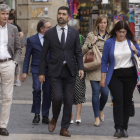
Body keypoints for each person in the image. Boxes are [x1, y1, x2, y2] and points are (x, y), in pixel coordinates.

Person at [38, 6, 84, 137]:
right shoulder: (49, 33)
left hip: (70, 71)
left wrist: (81, 67)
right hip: (54, 71)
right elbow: (43, 54)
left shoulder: (74, 33)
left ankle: (64, 127)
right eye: (59, 14)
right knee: (57, 97)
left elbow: (78, 52)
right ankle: (54, 117)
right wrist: (41, 72)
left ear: (68, 16)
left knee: (69, 100)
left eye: (63, 14)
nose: (61, 16)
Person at [100, 20, 140, 138]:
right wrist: (103, 77)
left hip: (130, 75)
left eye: (124, 32)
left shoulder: (131, 41)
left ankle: (125, 128)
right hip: (115, 75)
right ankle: (118, 128)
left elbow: (139, 53)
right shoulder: (109, 42)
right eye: (119, 31)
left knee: (127, 101)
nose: (122, 34)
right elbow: (104, 61)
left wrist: (136, 51)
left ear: (127, 31)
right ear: (115, 31)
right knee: (118, 100)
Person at [21, 19, 52, 125]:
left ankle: (45, 115)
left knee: (47, 92)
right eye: (49, 27)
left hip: (49, 70)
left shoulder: (52, 39)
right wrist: (24, 71)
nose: (50, 29)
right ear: (42, 29)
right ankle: (36, 114)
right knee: (37, 89)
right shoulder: (31, 40)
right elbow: (27, 57)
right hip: (36, 69)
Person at [82, 14, 110, 127]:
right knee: (95, 92)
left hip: (106, 68)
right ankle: (96, 118)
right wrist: (92, 42)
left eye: (105, 22)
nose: (103, 25)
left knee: (105, 93)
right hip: (94, 66)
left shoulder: (111, 36)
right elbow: (83, 50)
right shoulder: (91, 35)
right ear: (97, 23)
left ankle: (100, 109)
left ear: (107, 24)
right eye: (101, 22)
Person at [0, 4, 21, 136]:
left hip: (8, 64)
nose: (5, 16)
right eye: (3, 13)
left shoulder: (13, 29)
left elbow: (18, 48)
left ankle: (2, 125)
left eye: (7, 14)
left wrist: (14, 63)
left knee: (7, 97)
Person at [68, 19, 86, 124]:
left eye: (74, 29)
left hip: (79, 68)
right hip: (67, 68)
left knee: (79, 92)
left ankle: (78, 115)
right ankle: (70, 115)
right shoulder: (64, 38)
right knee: (68, 92)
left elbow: (84, 52)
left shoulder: (81, 38)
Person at [8, 13, 23, 87]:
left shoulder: (14, 26)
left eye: (9, 19)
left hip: (13, 47)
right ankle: (15, 80)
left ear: (12, 20)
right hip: (12, 47)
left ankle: (17, 80)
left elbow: (21, 34)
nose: (8, 21)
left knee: (16, 63)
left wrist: (18, 43)